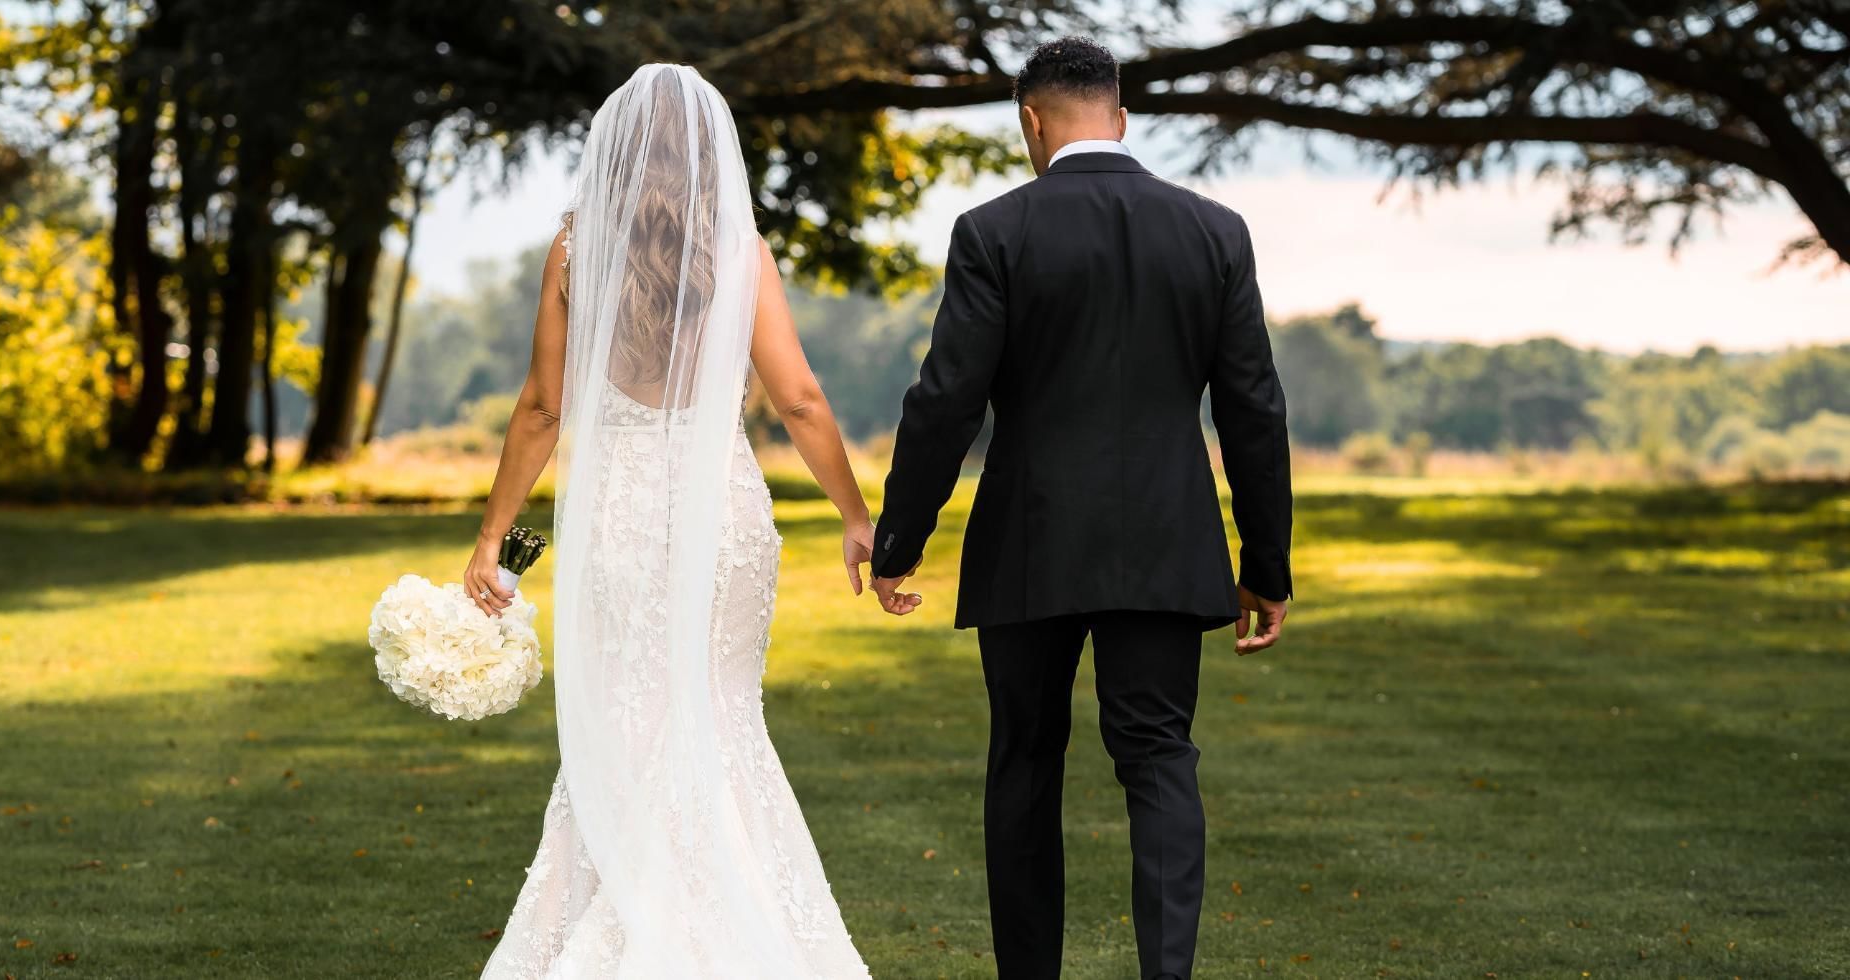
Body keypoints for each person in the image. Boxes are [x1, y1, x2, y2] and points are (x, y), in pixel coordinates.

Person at [868, 36, 1294, 980]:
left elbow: (946, 399)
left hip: (1031, 539)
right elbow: (1254, 407)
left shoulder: (994, 231)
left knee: (1024, 759)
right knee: (1158, 758)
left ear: (1031, 119)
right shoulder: (1215, 230)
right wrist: (1265, 566)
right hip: (1166, 539)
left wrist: (901, 539)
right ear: (1121, 116)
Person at [466, 63, 874, 978]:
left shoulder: (577, 254)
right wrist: (854, 513)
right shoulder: (737, 251)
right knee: (719, 715)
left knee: (630, 711)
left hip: (615, 521)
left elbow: (540, 407)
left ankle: (631, 916)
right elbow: (800, 399)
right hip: (720, 520)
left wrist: (495, 538)